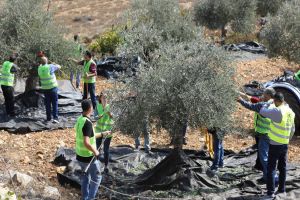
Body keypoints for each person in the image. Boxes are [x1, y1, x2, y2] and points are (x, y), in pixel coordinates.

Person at [259, 93, 295, 199]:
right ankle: (281, 189)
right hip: (284, 143)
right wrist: (287, 139)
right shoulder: (290, 111)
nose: (273, 102)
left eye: (274, 101)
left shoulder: (278, 111)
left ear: (276, 101)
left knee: (271, 168)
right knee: (282, 167)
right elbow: (292, 129)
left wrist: (267, 103)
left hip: (275, 144)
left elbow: (262, 111)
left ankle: (270, 193)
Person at [238, 88, 276, 183]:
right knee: (269, 156)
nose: (262, 95)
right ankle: (267, 176)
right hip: (273, 134)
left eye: (264, 94)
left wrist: (240, 100)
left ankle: (271, 178)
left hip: (264, 134)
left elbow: (249, 106)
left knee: (264, 158)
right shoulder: (276, 104)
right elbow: (254, 100)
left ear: (268, 95)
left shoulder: (262, 105)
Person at [75, 99, 103, 200]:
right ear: (90, 109)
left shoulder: (80, 119)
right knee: (97, 177)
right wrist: (95, 151)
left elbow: (89, 135)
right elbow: (86, 142)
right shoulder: (87, 123)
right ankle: (90, 198)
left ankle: (85, 198)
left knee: (86, 178)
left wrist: (103, 134)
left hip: (79, 155)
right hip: (88, 157)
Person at [72, 51, 97, 118]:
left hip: (91, 83)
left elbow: (95, 73)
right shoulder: (85, 61)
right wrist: (71, 59)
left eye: (85, 55)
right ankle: (85, 110)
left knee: (92, 97)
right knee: (85, 96)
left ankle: (96, 112)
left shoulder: (92, 63)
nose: (84, 56)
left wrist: (88, 75)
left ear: (89, 56)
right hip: (86, 82)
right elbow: (78, 62)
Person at [38, 57, 61, 123]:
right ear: (47, 61)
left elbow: (41, 65)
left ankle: (48, 118)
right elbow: (59, 67)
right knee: (54, 103)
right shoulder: (50, 66)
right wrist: (55, 64)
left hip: (45, 89)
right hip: (53, 88)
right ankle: (55, 118)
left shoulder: (39, 68)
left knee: (47, 104)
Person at [95, 92, 114, 173]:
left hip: (108, 131)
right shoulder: (97, 106)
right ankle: (96, 164)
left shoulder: (110, 106)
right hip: (99, 131)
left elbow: (114, 117)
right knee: (97, 148)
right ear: (100, 99)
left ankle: (106, 166)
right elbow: (95, 117)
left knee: (106, 150)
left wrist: (110, 114)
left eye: (106, 98)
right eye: (103, 98)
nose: (105, 99)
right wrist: (98, 116)